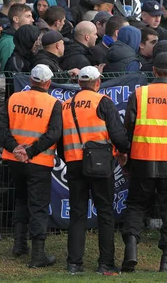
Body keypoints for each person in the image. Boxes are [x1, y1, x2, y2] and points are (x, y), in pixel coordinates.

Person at [120, 52, 167, 273]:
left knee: (137, 205)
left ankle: (130, 250)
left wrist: (127, 160)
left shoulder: (140, 93)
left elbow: (128, 128)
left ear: (153, 71)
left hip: (142, 158)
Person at [60, 66, 130, 275]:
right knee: (106, 213)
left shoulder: (64, 105)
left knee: (77, 214)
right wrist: (124, 151)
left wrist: (69, 158)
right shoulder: (103, 102)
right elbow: (118, 135)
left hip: (73, 164)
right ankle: (105, 264)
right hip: (100, 165)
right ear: (97, 83)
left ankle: (74, 264)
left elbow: (58, 139)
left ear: (80, 83)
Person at [0, 65, 61, 267]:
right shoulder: (53, 103)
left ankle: (20, 245)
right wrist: (30, 152)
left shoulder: (14, 99)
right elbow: (53, 134)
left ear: (31, 80)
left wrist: (15, 148)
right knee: (38, 206)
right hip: (38, 162)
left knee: (21, 199)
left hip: (15, 161)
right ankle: (37, 255)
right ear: (48, 83)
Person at [0, 4, 34, 70]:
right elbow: (7, 73)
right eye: (28, 16)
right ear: (16, 19)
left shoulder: (19, 39)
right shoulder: (9, 42)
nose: (32, 20)